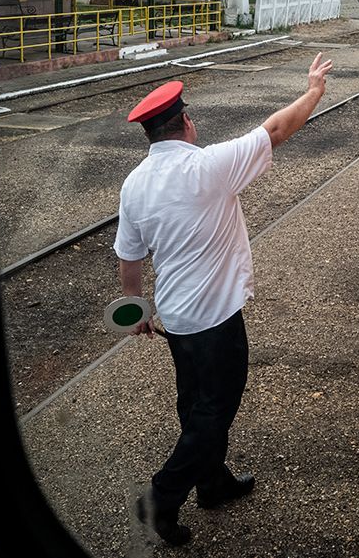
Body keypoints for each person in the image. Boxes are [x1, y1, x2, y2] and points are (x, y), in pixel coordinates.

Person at [114, 53, 334, 546]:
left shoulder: (134, 185)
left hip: (175, 319)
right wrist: (315, 90)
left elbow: (129, 258)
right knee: (214, 411)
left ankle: (212, 483)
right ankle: (159, 499)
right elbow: (276, 130)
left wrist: (136, 309)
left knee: (195, 405)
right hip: (216, 320)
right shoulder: (210, 166)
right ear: (185, 122)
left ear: (151, 134)